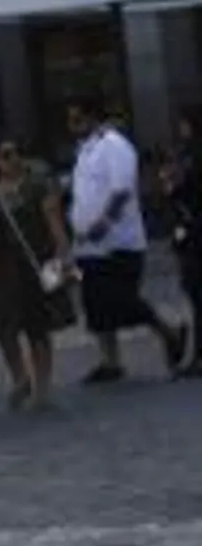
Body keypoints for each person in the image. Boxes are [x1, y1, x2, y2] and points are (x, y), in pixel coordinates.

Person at [65, 95, 188, 384]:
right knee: (95, 304)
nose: (71, 125)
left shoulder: (114, 146)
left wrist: (104, 222)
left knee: (121, 300)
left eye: (76, 119)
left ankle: (168, 331)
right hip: (87, 244)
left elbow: (121, 190)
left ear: (92, 117)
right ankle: (111, 361)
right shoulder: (84, 150)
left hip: (117, 241)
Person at [0, 139, 76, 410]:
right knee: (3, 327)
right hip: (2, 266)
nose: (12, 160)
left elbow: (55, 224)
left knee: (39, 325)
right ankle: (20, 377)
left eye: (16, 154)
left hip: (39, 261)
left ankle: (42, 389)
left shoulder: (38, 186)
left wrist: (65, 259)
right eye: (5, 155)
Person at [165, 106, 202, 377]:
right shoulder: (187, 155)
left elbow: (184, 191)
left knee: (196, 290)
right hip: (190, 230)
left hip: (194, 231)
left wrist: (172, 187)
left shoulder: (192, 157)